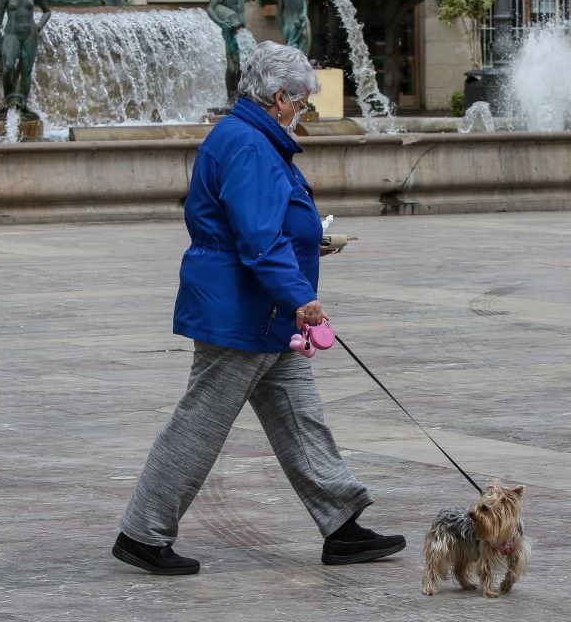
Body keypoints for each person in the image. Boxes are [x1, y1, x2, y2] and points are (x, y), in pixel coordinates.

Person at [113, 41, 405, 575]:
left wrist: (306, 243)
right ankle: (143, 533)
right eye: (303, 103)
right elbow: (256, 240)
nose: (304, 113)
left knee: (300, 415)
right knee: (199, 423)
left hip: (262, 310)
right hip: (244, 311)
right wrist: (301, 297)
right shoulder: (248, 145)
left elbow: (265, 227)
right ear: (278, 97)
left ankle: (341, 524)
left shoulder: (254, 138)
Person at [206, 0, 248, 107]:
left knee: (242, 66)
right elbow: (210, 7)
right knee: (232, 66)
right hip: (230, 29)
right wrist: (222, 23)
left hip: (242, 29)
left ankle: (239, 96)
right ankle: (230, 98)